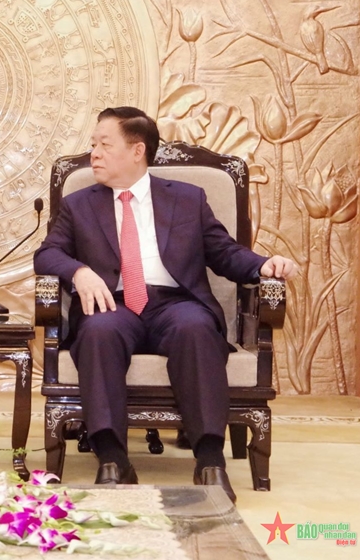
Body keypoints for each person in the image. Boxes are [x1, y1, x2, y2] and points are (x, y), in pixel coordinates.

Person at [33, 107, 295, 502]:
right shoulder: (79, 204)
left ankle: (210, 460)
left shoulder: (187, 199)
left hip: (175, 303)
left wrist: (263, 265)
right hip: (114, 304)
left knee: (195, 328)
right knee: (99, 330)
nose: (94, 154)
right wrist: (80, 272)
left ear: (137, 150)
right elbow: (47, 255)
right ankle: (113, 459)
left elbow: (224, 253)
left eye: (104, 145)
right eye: (93, 144)